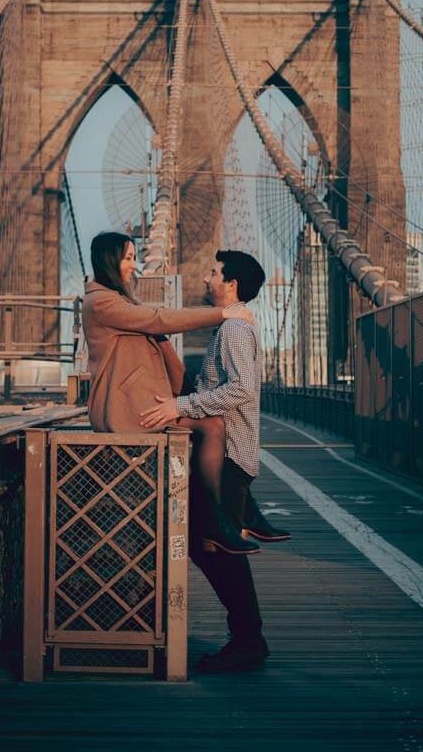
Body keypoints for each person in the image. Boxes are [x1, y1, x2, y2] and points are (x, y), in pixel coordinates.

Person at [140, 249, 287, 673]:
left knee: (217, 551)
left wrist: (178, 406)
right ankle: (247, 638)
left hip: (226, 458)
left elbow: (241, 389)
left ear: (232, 284)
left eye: (213, 273)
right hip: (226, 457)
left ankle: (248, 641)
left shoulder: (235, 331)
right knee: (213, 549)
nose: (206, 279)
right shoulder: (233, 326)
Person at [82, 231, 255, 554]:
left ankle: (231, 515)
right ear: (110, 260)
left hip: (144, 403)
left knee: (215, 422)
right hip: (126, 409)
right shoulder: (101, 302)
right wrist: (222, 313)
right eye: (129, 258)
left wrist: (186, 399)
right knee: (212, 424)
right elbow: (158, 319)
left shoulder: (119, 299)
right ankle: (219, 521)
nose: (134, 265)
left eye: (135, 257)